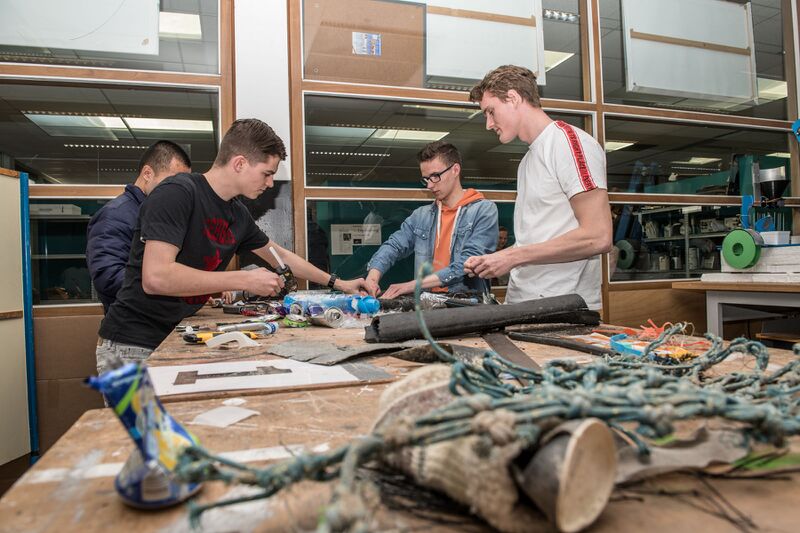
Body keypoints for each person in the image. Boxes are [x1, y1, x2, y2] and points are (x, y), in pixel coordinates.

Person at [96, 119, 368, 373]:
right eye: (267, 173)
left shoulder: (237, 214)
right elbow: (156, 278)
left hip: (178, 336)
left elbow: (279, 256)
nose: (270, 183)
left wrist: (338, 283)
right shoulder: (177, 193)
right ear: (239, 163)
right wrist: (244, 279)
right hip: (133, 345)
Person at [464, 65, 612, 310]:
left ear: (512, 98)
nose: (489, 124)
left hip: (563, 308)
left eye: (491, 112)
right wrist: (495, 260)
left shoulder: (568, 143)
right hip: (524, 303)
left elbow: (599, 236)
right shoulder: (527, 162)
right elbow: (535, 242)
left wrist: (511, 257)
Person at [364, 141, 498, 299]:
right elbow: (394, 246)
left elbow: (467, 263)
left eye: (435, 176)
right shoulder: (421, 215)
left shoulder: (483, 210)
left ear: (455, 170)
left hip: (466, 304)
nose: (429, 185)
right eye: (426, 179)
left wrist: (411, 285)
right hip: (426, 304)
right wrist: (372, 277)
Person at [86, 140, 192, 312]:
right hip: (129, 326)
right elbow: (108, 277)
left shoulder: (161, 214)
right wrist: (168, 285)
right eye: (172, 183)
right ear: (147, 173)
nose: (177, 191)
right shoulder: (114, 215)